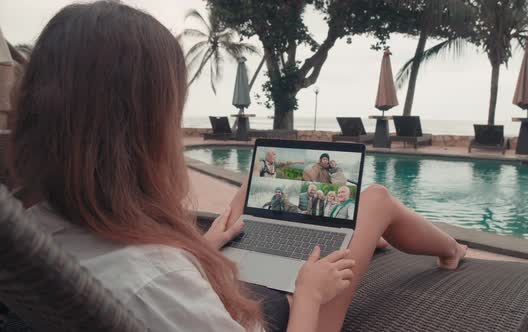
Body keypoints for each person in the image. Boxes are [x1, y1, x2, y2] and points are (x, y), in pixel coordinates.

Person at [11, 2, 467, 332]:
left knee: (254, 187)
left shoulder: (31, 233)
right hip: (283, 315)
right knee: (375, 201)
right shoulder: (155, 280)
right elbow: (168, 291)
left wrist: (200, 247)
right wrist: (308, 294)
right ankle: (451, 250)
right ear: (144, 135)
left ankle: (361, 237)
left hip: (212, 291)